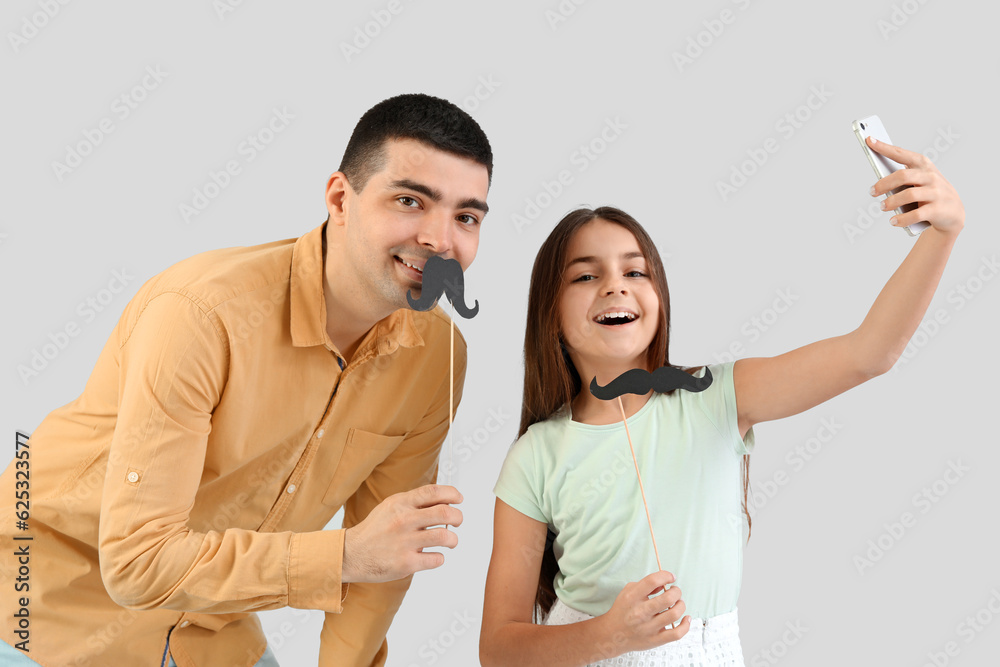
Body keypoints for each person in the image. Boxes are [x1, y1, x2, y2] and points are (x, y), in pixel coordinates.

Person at [0, 93, 492, 667]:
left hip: (212, 630)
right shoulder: (202, 314)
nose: (440, 240)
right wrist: (340, 557)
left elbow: (385, 559)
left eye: (466, 217)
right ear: (340, 198)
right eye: (410, 201)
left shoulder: (436, 356)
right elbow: (138, 564)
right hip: (43, 609)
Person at [479, 136, 964, 666]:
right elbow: (499, 648)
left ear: (659, 299)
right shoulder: (537, 454)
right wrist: (609, 636)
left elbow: (868, 353)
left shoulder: (714, 396)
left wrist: (941, 235)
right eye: (586, 275)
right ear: (550, 311)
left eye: (635, 271)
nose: (615, 287)